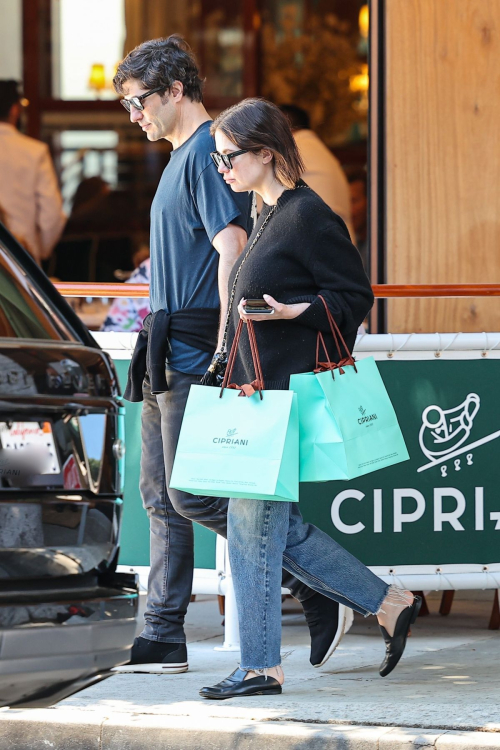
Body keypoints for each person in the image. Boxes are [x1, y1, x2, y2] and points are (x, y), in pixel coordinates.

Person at [111, 36, 346, 676]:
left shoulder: (210, 152)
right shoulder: (186, 156)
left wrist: (222, 346)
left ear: (177, 90)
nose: (135, 117)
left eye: (139, 103)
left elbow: (231, 244)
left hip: (195, 350)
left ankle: (318, 584)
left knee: (195, 496)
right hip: (171, 346)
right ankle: (162, 633)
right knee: (162, 496)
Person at [200, 99, 421, 700]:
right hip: (257, 397)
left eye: (229, 156)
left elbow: (353, 295)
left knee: (253, 529)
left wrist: (300, 311)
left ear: (266, 153)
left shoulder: (307, 214)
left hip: (284, 399)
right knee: (271, 529)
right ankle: (388, 601)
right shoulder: (265, 211)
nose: (220, 166)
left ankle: (260, 666)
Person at [0, 80, 65, 264]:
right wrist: (40, 249)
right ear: (15, 110)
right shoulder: (34, 152)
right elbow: (52, 215)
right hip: (21, 256)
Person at [279, 104, 353, 240]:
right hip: (338, 245)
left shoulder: (293, 149)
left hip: (320, 248)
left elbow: (256, 207)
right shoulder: (316, 148)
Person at [347, 168, 369, 271]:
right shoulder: (351, 241)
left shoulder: (380, 248)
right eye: (345, 202)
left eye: (354, 201)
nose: (348, 210)